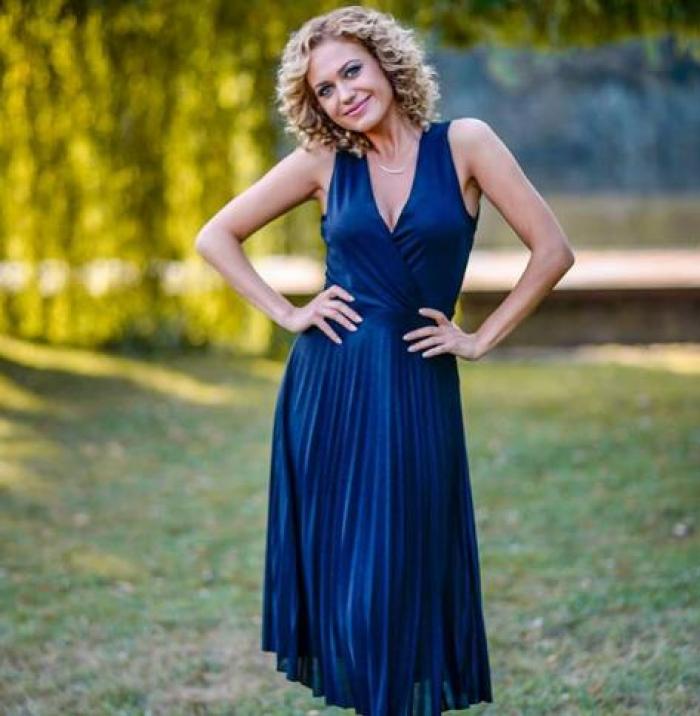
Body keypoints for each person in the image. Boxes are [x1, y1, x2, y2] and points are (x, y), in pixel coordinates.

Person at [195, 6, 575, 714]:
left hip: (416, 383)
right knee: (352, 584)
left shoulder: (466, 144)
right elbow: (215, 236)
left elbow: (553, 251)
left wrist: (479, 338)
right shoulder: (322, 164)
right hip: (329, 387)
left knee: (405, 570)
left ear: (386, 63)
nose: (344, 94)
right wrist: (288, 312)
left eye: (351, 72)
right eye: (325, 89)